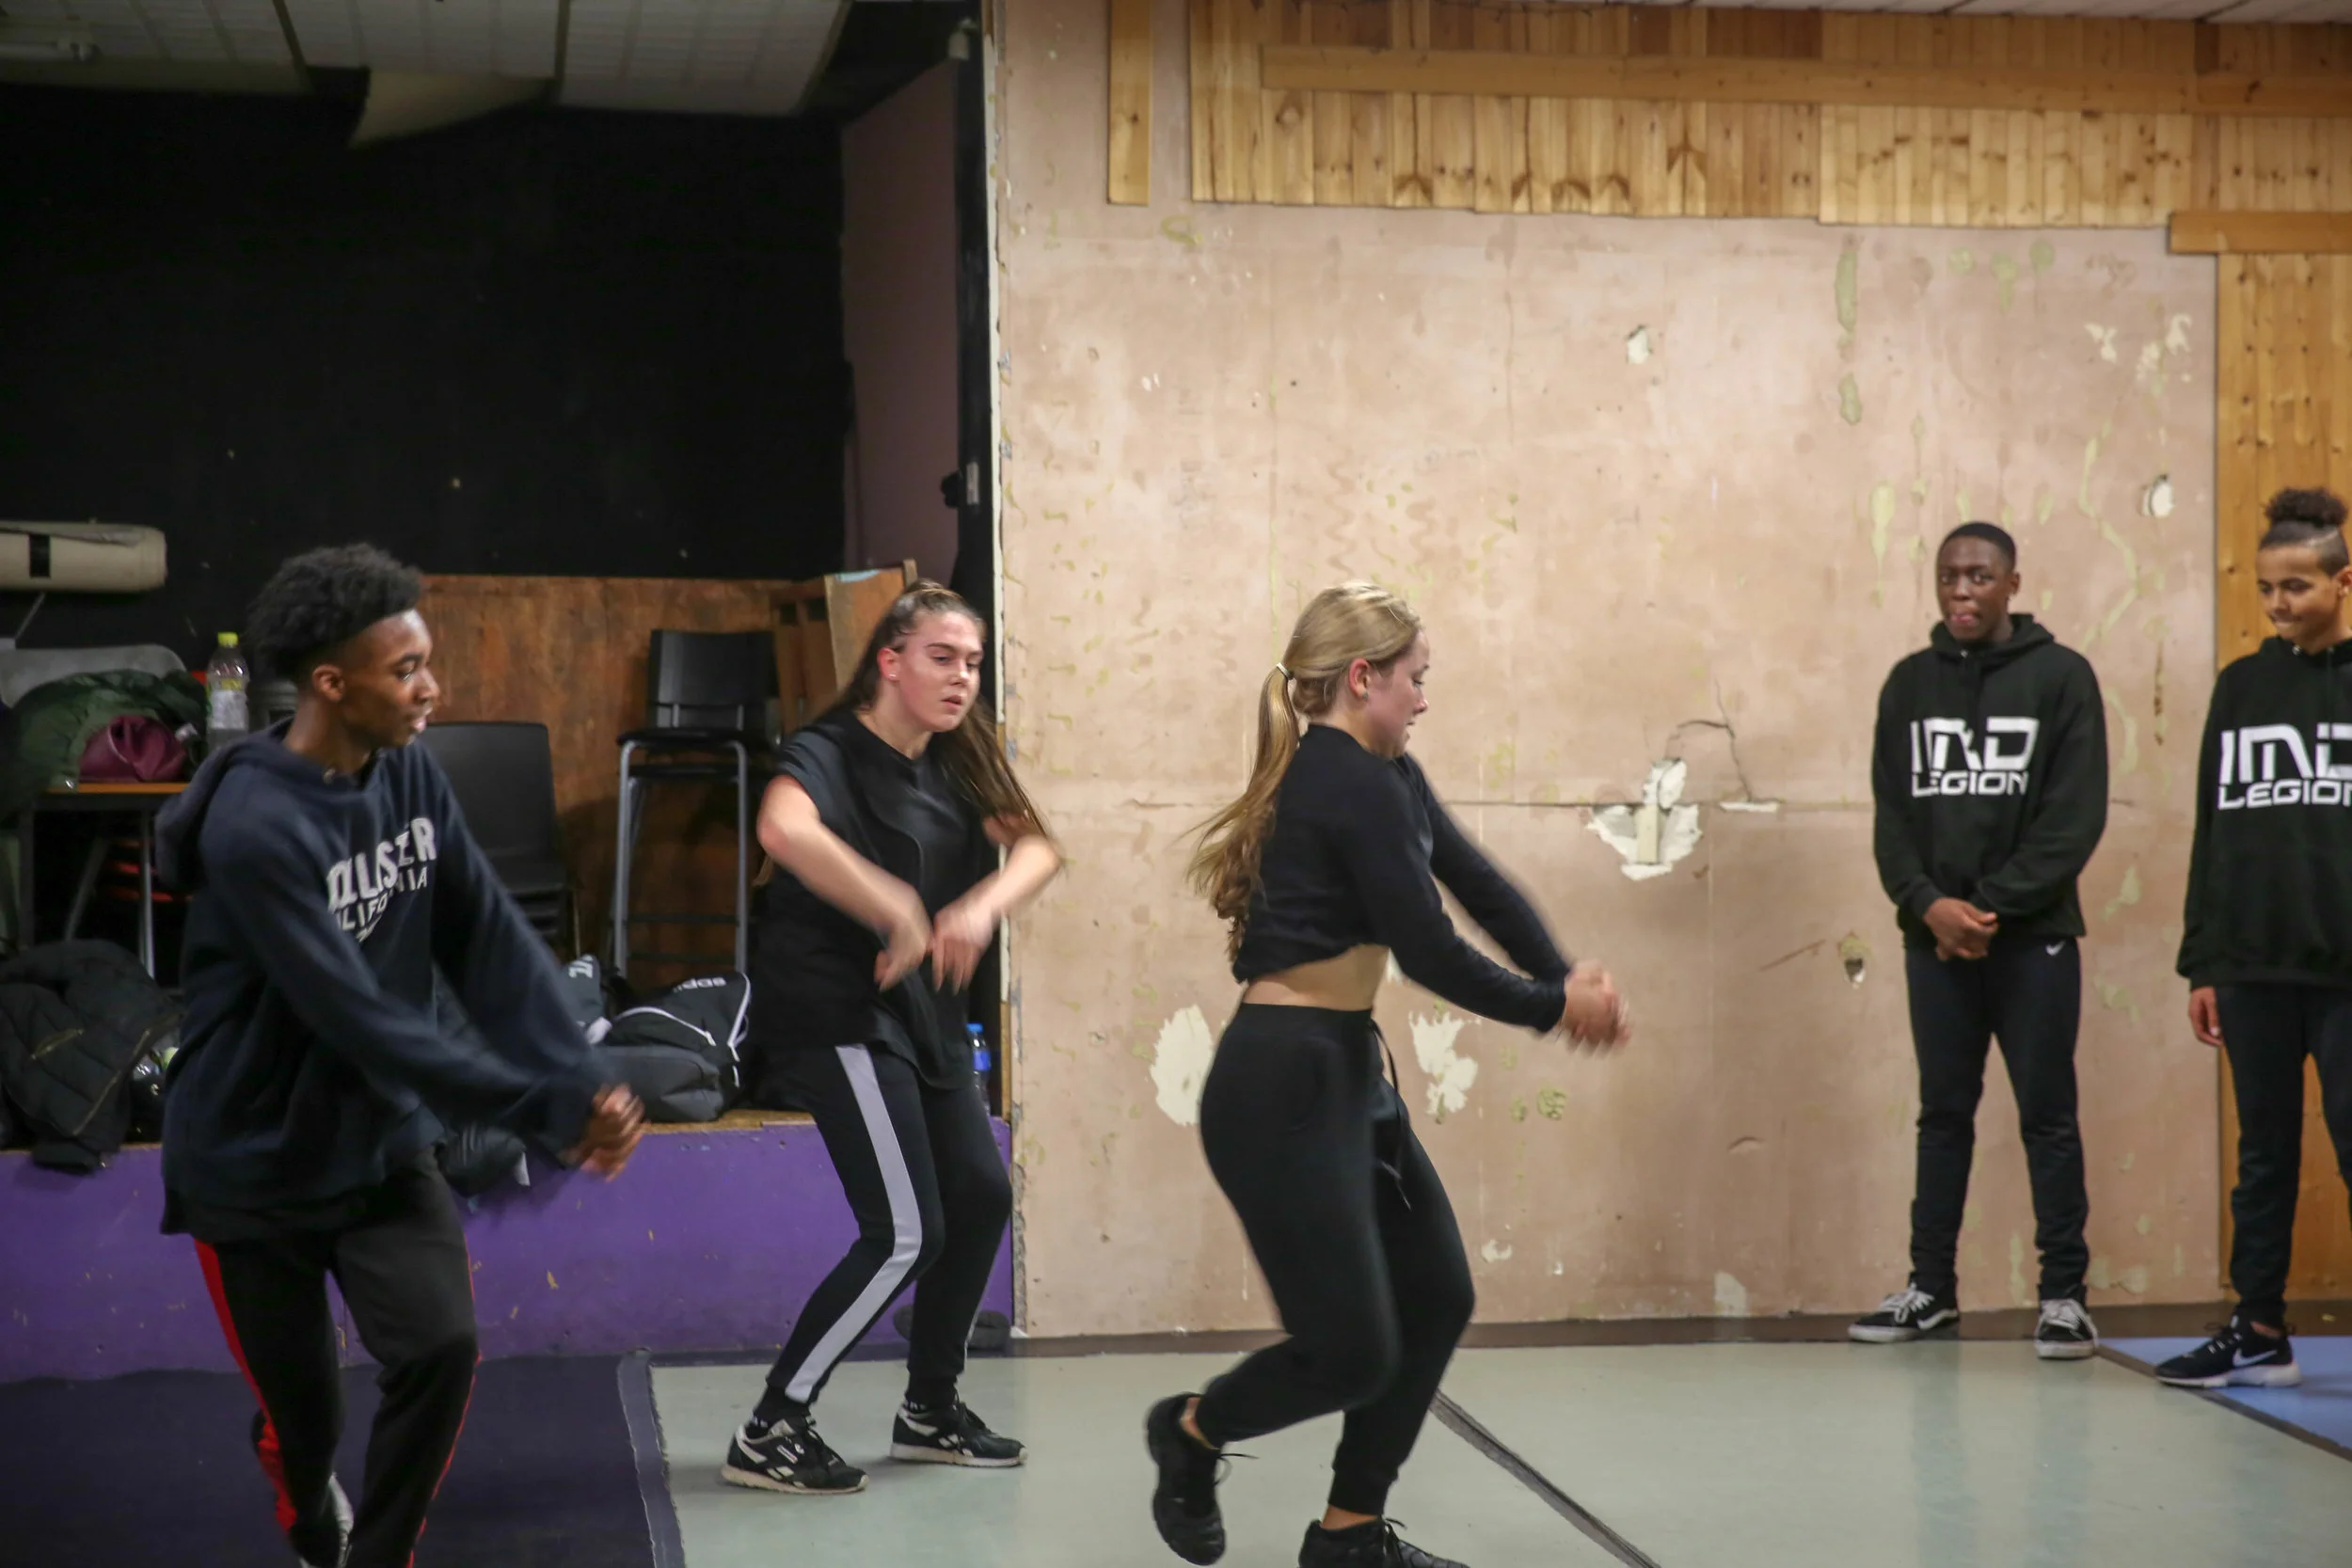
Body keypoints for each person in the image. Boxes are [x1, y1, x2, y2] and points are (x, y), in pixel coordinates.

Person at [155, 544, 645, 1568]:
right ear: (332, 683)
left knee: (441, 1347)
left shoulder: (408, 768)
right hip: (250, 1163)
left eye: (427, 661)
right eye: (407, 669)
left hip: (377, 1137)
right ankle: (304, 1496)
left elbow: (485, 936)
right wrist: (540, 1107)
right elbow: (361, 1018)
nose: (433, 688)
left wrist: (578, 1075)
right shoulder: (254, 826)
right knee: (309, 1421)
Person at [1146, 582, 1629, 1568]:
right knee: (1352, 1351)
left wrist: (1562, 973)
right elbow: (1429, 948)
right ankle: (1192, 1429)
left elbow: (1477, 882)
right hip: (1282, 1089)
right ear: (1362, 678)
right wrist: (1554, 1007)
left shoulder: (1389, 775)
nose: (1424, 698)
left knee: (1436, 1295)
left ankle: (1349, 1536)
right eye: (1415, 678)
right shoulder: (1342, 781)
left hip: (1343, 1072)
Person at [725, 581, 1060, 1495]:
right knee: (906, 1230)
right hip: (837, 1010)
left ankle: (929, 1409)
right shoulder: (828, 750)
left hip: (923, 1013)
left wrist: (978, 907)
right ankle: (772, 1425)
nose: (962, 677)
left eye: (974, 662)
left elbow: (1037, 847)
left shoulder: (961, 757)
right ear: (890, 661)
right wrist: (894, 902)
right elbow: (782, 827)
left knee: (979, 1197)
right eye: (942, 657)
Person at [1851, 521, 2108, 1358]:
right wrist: (1930, 906)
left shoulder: (2062, 678)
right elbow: (1893, 821)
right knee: (1943, 1115)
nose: (1961, 591)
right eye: (1948, 576)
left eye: (1979, 576)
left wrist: (1984, 908)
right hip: (1935, 944)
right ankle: (1931, 1288)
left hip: (2034, 943)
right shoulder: (1907, 685)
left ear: (2012, 584)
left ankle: (2064, 1296)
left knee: (2048, 1116)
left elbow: (2073, 821)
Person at [2160, 486, 2352, 1390]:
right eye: (2267, 588)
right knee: (2263, 1154)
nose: (2278, 604)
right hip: (2251, 964)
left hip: (2346, 968)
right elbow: (2214, 827)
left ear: (2343, 582)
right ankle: (2261, 1329)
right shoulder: (2240, 687)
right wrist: (2204, 959)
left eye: (2296, 587)